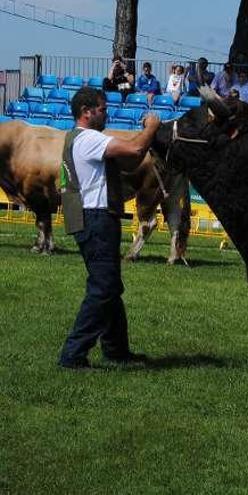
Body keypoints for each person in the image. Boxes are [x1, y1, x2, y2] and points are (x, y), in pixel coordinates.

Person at [57, 87, 160, 369]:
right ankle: (73, 355)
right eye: (102, 108)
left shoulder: (74, 137)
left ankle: (117, 351)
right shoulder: (89, 138)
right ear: (87, 112)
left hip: (87, 217)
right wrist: (152, 126)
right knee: (104, 287)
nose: (107, 112)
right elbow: (137, 149)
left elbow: (131, 159)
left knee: (110, 286)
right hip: (97, 218)